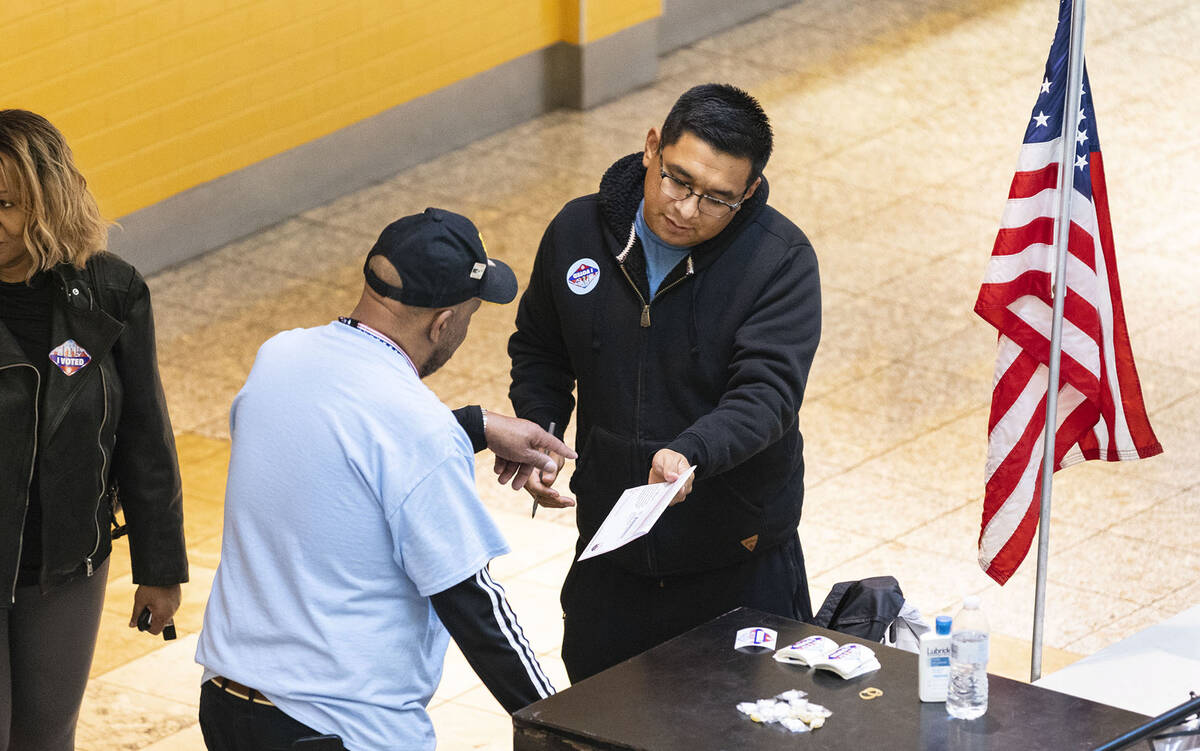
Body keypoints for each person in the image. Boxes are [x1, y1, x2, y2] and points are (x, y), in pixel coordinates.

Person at [196, 208, 571, 750]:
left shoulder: (279, 356)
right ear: (442, 323)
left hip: (229, 706)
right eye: (468, 317)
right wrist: (558, 725)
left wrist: (475, 426)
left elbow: (341, 451)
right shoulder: (417, 430)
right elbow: (474, 604)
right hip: (342, 730)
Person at [509, 83, 822, 680]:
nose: (685, 209)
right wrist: (541, 430)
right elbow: (541, 349)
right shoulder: (579, 232)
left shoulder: (778, 260)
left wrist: (691, 451)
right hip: (611, 554)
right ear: (652, 147)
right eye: (678, 180)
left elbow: (767, 395)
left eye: (716, 199)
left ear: (749, 190)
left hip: (738, 563)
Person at [0, 109, 188, 749]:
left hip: (66, 564)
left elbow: (144, 435)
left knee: (46, 735)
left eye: (4, 203)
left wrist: (160, 567)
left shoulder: (111, 290)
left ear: (46, 201)